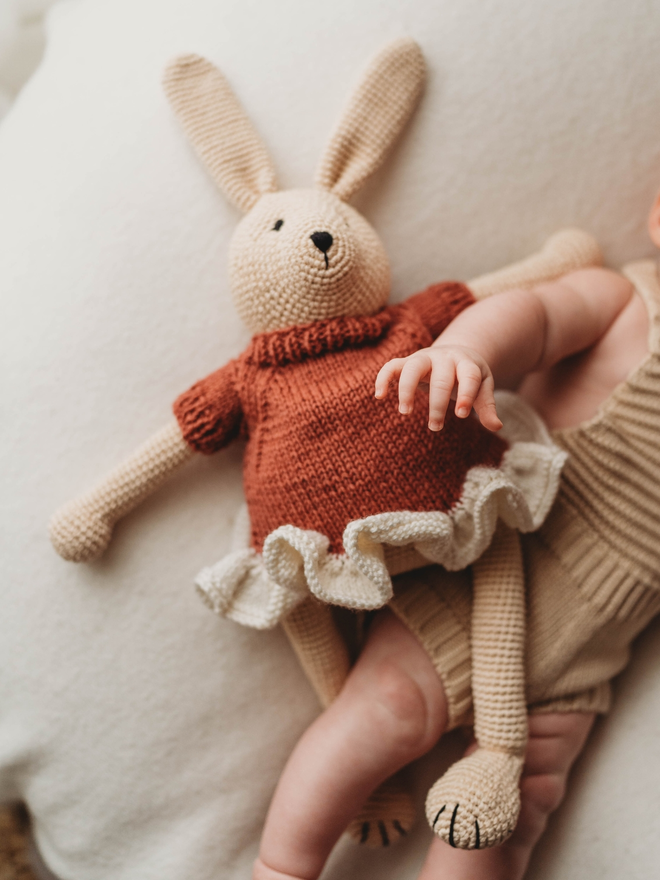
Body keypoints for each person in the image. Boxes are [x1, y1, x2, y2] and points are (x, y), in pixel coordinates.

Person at [252, 193, 660, 880]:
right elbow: (536, 315)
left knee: (517, 812)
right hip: (497, 574)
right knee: (384, 711)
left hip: (593, 650)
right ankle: (281, 867)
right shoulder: (627, 302)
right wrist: (469, 350)